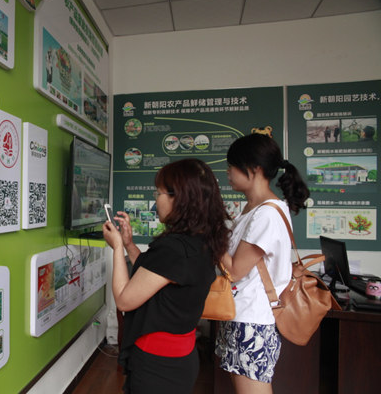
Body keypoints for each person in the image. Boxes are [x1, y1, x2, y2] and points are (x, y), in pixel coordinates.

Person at [102, 158, 231, 393]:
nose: (155, 200)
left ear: (178, 199)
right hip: (179, 361)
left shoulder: (174, 248)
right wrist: (129, 244)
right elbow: (155, 276)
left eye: (159, 193)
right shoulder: (201, 240)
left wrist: (117, 247)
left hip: (157, 366)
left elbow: (124, 299)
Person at [215, 134, 310, 393]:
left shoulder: (267, 213)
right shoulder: (252, 209)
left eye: (232, 166)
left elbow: (235, 271)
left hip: (252, 320)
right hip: (240, 314)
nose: (228, 172)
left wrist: (210, 230)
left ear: (254, 169)